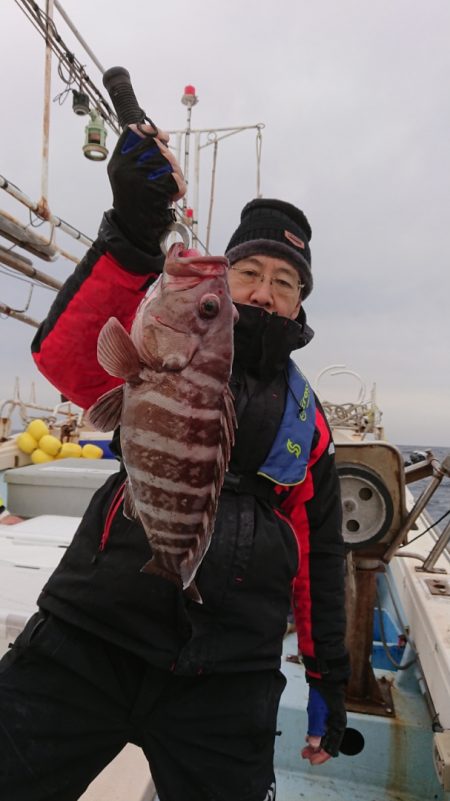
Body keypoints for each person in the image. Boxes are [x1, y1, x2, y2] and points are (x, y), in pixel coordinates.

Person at [0, 123, 349, 801]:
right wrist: (131, 232)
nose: (264, 291)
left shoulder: (309, 427)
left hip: (230, 670)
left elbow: (321, 555)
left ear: (301, 302)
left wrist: (327, 674)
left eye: (285, 281)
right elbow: (66, 356)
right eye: (248, 272)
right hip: (91, 631)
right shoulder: (154, 344)